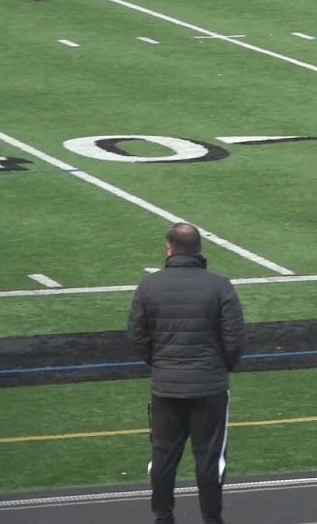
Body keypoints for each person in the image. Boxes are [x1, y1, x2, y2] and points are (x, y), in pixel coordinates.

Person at [127, 222, 246, 524]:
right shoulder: (220, 285)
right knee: (210, 461)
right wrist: (221, 368)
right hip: (209, 388)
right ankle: (211, 519)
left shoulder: (149, 285)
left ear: (169, 249)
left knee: (163, 458)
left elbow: (137, 335)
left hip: (166, 387)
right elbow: (234, 339)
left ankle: (163, 518)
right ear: (200, 249)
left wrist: (160, 363)